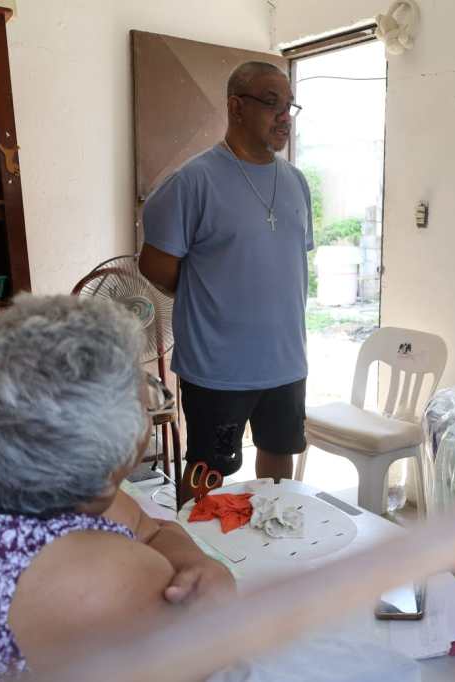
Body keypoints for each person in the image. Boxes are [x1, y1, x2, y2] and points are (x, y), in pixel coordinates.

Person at [0, 295, 235, 679]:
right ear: (100, 479)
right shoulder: (97, 580)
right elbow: (208, 653)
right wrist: (214, 583)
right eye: (147, 400)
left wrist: (197, 563)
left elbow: (151, 528)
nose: (152, 404)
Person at [139, 61, 313, 484]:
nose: (283, 117)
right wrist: (214, 296)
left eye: (290, 106)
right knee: (208, 473)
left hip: (285, 360)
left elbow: (284, 264)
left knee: (278, 458)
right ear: (236, 107)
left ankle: (273, 543)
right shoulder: (193, 182)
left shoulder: (296, 182)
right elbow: (155, 266)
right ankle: (197, 546)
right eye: (272, 104)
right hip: (218, 366)